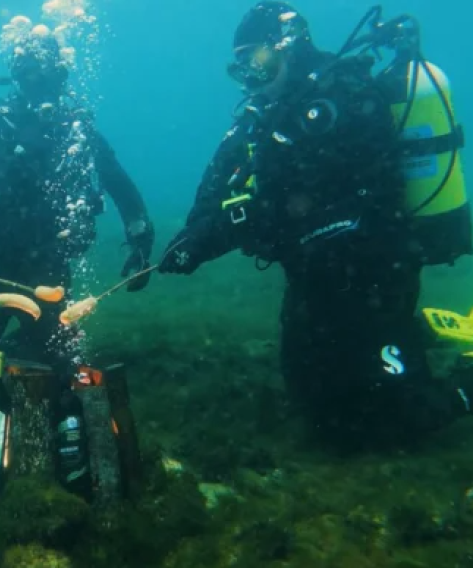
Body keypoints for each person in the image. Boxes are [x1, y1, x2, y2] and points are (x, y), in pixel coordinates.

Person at [159, 2, 473, 450]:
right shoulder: (265, 114)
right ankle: (418, 333)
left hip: (372, 277)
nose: (252, 76)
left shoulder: (344, 97)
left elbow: (325, 202)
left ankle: (463, 379)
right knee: (320, 413)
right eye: (242, 66)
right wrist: (194, 234)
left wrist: (233, 225)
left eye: (260, 60)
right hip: (312, 283)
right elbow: (221, 182)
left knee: (390, 422)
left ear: (291, 47)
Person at [0, 28, 154, 415]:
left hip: (50, 271)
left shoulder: (77, 131)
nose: (43, 86)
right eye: (31, 75)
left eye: (52, 76)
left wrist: (141, 240)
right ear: (17, 77)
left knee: (61, 372)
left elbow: (121, 187)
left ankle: (16, 349)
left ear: (62, 77)